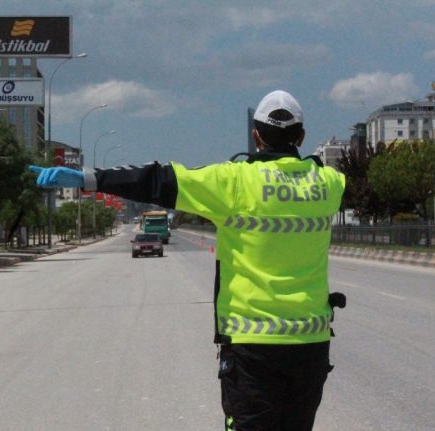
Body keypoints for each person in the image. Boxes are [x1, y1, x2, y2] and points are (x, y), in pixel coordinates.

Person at [30, 90, 346, 431]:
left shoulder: (234, 181)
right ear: (301, 136)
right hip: (311, 347)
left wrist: (89, 179)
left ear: (256, 137)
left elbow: (158, 179)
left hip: (253, 349)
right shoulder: (329, 184)